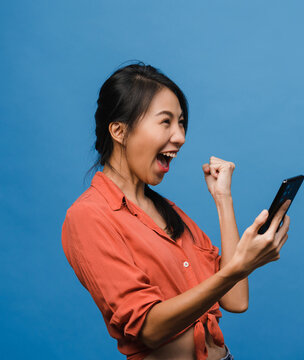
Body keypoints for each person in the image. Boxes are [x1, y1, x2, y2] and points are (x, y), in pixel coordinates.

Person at [61, 62, 291, 360]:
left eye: (181, 122)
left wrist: (223, 200)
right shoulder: (89, 217)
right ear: (119, 130)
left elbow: (235, 299)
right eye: (166, 122)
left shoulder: (169, 212)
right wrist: (239, 267)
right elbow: (149, 329)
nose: (181, 136)